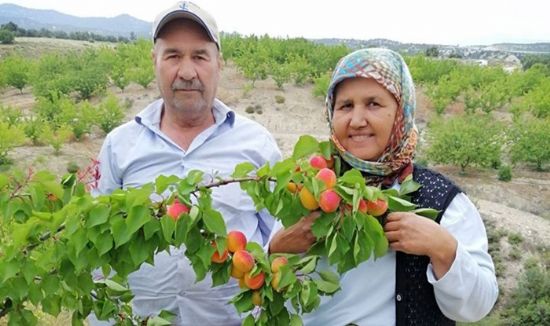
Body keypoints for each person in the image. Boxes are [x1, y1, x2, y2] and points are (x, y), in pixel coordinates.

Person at [268, 48, 498, 325]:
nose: (356, 120)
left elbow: (477, 307)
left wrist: (443, 248)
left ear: (400, 112)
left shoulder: (440, 201)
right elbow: (265, 289)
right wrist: (275, 249)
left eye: (374, 104)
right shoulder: (305, 188)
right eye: (346, 106)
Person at [90, 1, 281, 325]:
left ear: (219, 63)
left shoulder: (257, 146)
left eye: (200, 56)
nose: (187, 72)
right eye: (173, 55)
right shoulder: (119, 146)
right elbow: (97, 249)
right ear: (155, 61)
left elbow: (279, 237)